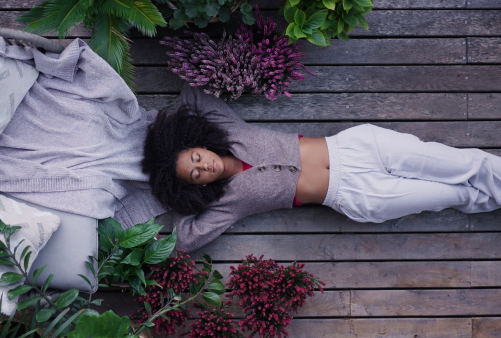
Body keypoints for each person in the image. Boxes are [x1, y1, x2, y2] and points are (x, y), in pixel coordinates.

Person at [143, 86, 501, 252]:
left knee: (468, 164)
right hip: (357, 196)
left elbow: (192, 94)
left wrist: (152, 131)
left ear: (197, 143)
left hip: (359, 149)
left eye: (195, 158)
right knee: (457, 194)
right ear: (195, 186)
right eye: (195, 175)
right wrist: (168, 201)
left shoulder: (226, 129)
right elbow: (185, 240)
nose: (204, 166)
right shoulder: (224, 204)